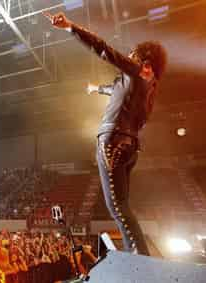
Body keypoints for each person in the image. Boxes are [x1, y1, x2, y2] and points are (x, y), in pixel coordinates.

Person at [45, 11, 167, 255]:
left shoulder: (138, 72)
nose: (129, 57)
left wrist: (71, 27)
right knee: (122, 205)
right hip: (130, 147)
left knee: (117, 207)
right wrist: (95, 88)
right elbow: (113, 89)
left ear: (145, 62)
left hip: (113, 142)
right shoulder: (149, 87)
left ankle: (140, 259)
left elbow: (103, 49)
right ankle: (137, 253)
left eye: (133, 55)